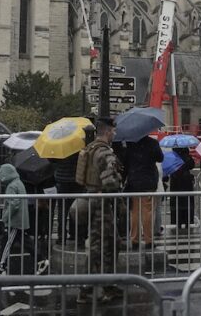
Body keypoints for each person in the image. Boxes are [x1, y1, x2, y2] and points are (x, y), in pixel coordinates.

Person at [75, 118, 124, 303]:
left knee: (108, 243)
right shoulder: (104, 152)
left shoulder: (91, 148)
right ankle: (92, 287)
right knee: (103, 245)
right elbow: (110, 181)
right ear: (108, 131)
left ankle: (105, 285)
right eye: (113, 131)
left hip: (93, 199)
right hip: (101, 203)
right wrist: (119, 193)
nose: (115, 134)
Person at [0, 163, 48, 276]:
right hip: (20, 220)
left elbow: (14, 204)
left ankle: (1, 268)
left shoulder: (11, 186)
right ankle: (41, 260)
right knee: (25, 243)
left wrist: (5, 217)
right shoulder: (18, 183)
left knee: (7, 244)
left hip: (14, 221)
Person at [123, 134, 163, 248]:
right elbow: (160, 158)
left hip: (134, 182)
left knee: (134, 213)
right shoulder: (153, 143)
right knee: (148, 212)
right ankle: (148, 240)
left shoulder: (130, 144)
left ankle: (134, 239)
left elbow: (126, 163)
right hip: (148, 182)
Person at [169, 147, 195, 229]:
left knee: (177, 203)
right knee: (187, 203)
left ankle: (178, 222)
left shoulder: (173, 157)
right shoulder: (187, 157)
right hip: (186, 182)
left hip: (175, 181)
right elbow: (192, 165)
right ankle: (187, 221)